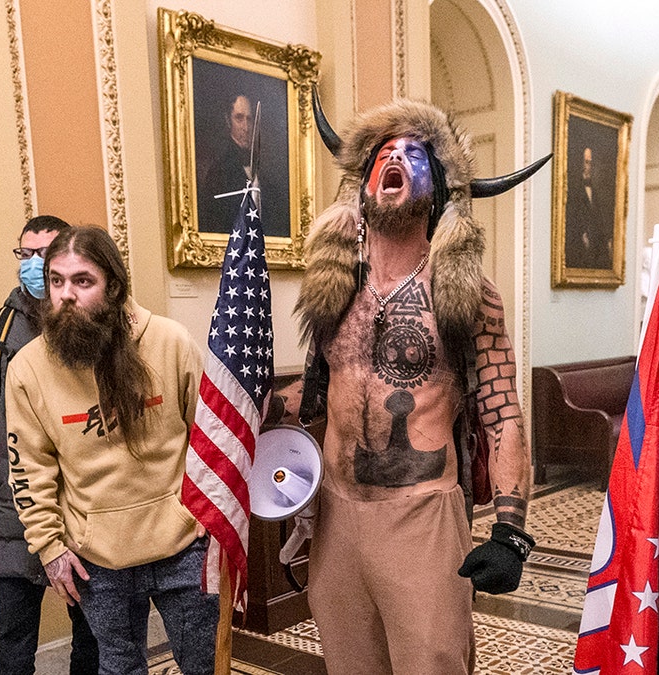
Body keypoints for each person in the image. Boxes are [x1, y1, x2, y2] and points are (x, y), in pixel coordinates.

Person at [294, 97, 545, 674]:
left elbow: (503, 415)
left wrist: (511, 533)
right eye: (385, 152)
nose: (397, 159)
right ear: (362, 184)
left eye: (415, 154)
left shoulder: (467, 294)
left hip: (422, 518)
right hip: (336, 516)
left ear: (438, 189)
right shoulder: (333, 288)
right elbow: (319, 394)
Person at [4, 226, 217, 675]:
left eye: (83, 281)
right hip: (95, 554)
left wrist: (211, 522)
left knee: (204, 664)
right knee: (119, 667)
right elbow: (29, 469)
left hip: (181, 542)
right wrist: (50, 548)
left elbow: (210, 438)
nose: (66, 295)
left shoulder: (170, 342)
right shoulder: (27, 368)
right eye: (56, 281)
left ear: (113, 286)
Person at [0, 215, 100, 674]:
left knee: (94, 637)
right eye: (26, 254)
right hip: (11, 508)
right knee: (12, 644)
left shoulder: (94, 324)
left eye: (46, 254)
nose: (35, 264)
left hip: (85, 506)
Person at [197, 92, 287, 237]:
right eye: (239, 118)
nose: (246, 127)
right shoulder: (218, 173)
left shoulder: (264, 172)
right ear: (228, 121)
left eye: (249, 120)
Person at [565, 145, 614, 269]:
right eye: (586, 162)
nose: (589, 167)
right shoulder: (572, 191)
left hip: (595, 249)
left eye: (591, 163)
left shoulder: (597, 192)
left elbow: (599, 221)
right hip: (577, 249)